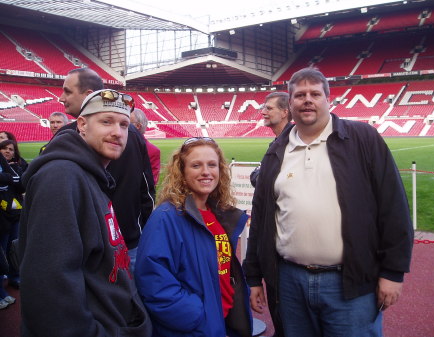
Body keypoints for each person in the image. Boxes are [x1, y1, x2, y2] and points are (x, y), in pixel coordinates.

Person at [243, 67, 414, 337]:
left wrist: (393, 272)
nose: (307, 99)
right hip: (290, 283)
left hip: (350, 283)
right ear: (291, 103)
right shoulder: (277, 151)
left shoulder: (362, 139)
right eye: (300, 95)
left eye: (315, 94)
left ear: (328, 99)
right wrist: (252, 277)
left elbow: (393, 207)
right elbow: (262, 217)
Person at [19, 89, 153, 337]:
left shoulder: (90, 175)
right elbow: (48, 288)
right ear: (81, 125)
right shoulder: (61, 178)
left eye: (124, 125)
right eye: (106, 121)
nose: (117, 132)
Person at [135, 137, 252, 337]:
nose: (206, 172)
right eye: (196, 165)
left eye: (212, 165)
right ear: (182, 171)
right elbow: (154, 283)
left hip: (224, 321)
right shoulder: (166, 218)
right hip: (196, 327)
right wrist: (196, 316)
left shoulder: (217, 213)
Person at [58, 68, 155, 271]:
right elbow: (147, 192)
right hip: (100, 246)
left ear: (88, 94)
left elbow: (145, 190)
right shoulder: (58, 159)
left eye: (67, 91)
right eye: (106, 122)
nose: (61, 98)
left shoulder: (64, 138)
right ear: (83, 125)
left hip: (113, 245)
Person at [0, 139, 26, 308]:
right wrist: (10, 178)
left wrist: (8, 179)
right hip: (1, 217)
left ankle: (13, 277)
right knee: (1, 254)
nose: (8, 151)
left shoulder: (16, 165)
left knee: (12, 249)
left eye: (11, 149)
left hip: (14, 214)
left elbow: (20, 183)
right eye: (4, 148)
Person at [250, 92, 291, 189]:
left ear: (285, 112)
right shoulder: (277, 143)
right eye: (264, 108)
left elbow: (262, 179)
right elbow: (256, 177)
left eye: (269, 108)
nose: (263, 112)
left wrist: (260, 175)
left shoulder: (292, 143)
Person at [130, 108, 161, 184]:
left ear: (138, 126)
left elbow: (150, 181)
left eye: (126, 122)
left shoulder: (152, 151)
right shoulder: (114, 144)